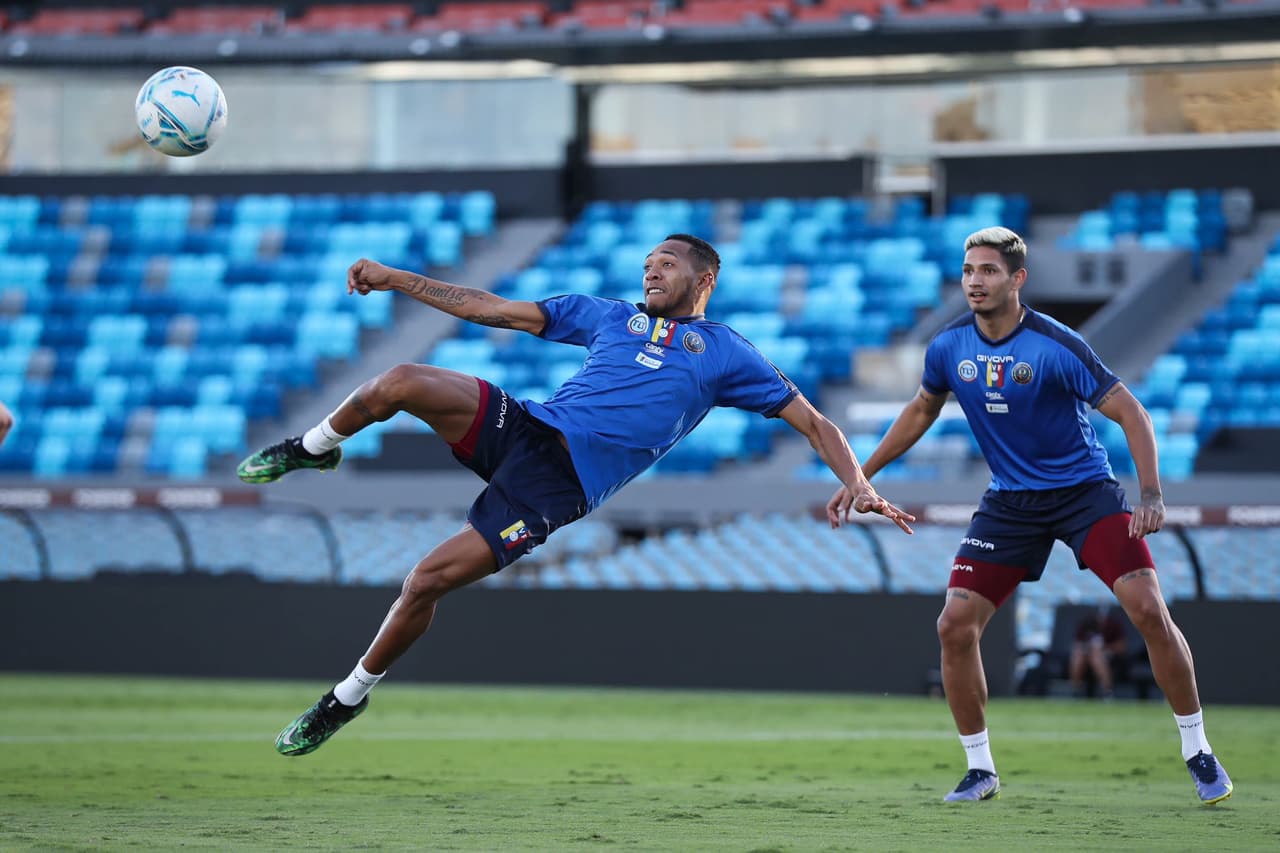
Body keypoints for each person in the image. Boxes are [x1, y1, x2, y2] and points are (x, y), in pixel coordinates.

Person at [239, 233, 916, 757]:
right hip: (527, 427)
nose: (651, 271)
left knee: (423, 582)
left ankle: (346, 697)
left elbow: (814, 421)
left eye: (667, 264)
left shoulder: (725, 352)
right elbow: (491, 308)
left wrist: (856, 482)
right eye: (647, 262)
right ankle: (313, 447)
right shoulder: (607, 316)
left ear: (704, 278)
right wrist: (392, 279)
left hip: (558, 486)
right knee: (401, 380)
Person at [827, 226, 1232, 806]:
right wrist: (860, 477)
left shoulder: (1055, 345)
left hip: (1084, 493)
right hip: (1010, 503)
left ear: (1017, 279)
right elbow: (921, 409)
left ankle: (1197, 749)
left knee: (1146, 608)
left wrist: (1149, 494)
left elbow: (1133, 413)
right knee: (953, 627)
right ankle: (979, 769)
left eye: (988, 271)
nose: (975, 281)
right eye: (968, 271)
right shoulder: (947, 347)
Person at [1069, 604, 1128, 699]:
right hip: (1086, 654)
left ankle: (1107, 691)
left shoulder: (1113, 625)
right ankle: (1076, 690)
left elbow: (1122, 647)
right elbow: (1077, 644)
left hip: (1108, 655)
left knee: (1096, 657)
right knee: (1078, 654)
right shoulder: (1086, 624)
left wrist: (1104, 648)